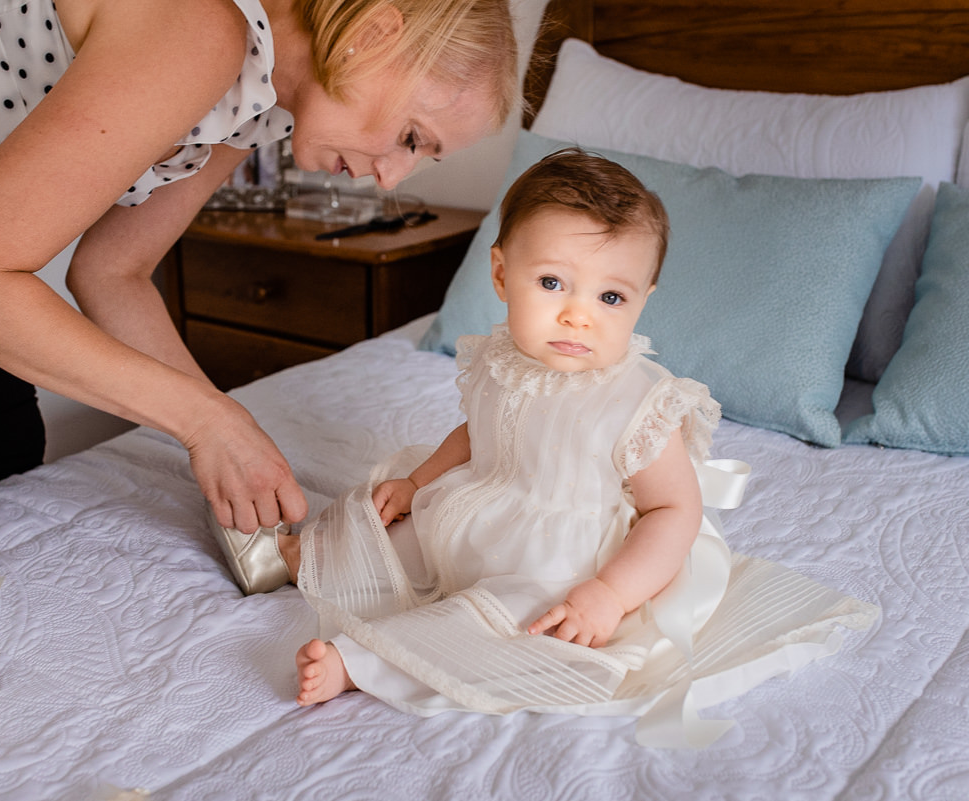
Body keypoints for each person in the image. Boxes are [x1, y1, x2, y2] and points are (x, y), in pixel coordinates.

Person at [0, 0, 518, 551]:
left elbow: (114, 269)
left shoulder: (265, 101)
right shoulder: (203, 30)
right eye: (412, 137)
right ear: (377, 29)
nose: (392, 178)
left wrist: (229, 430)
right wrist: (204, 420)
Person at [213, 148, 876, 745]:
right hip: (479, 508)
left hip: (562, 559)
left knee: (513, 621)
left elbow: (675, 513)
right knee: (389, 521)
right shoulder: (502, 358)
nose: (577, 314)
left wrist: (611, 594)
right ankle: (307, 555)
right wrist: (419, 482)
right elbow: (479, 432)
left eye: (610, 295)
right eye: (553, 282)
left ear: (642, 302)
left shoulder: (638, 403)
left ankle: (363, 664)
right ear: (501, 275)